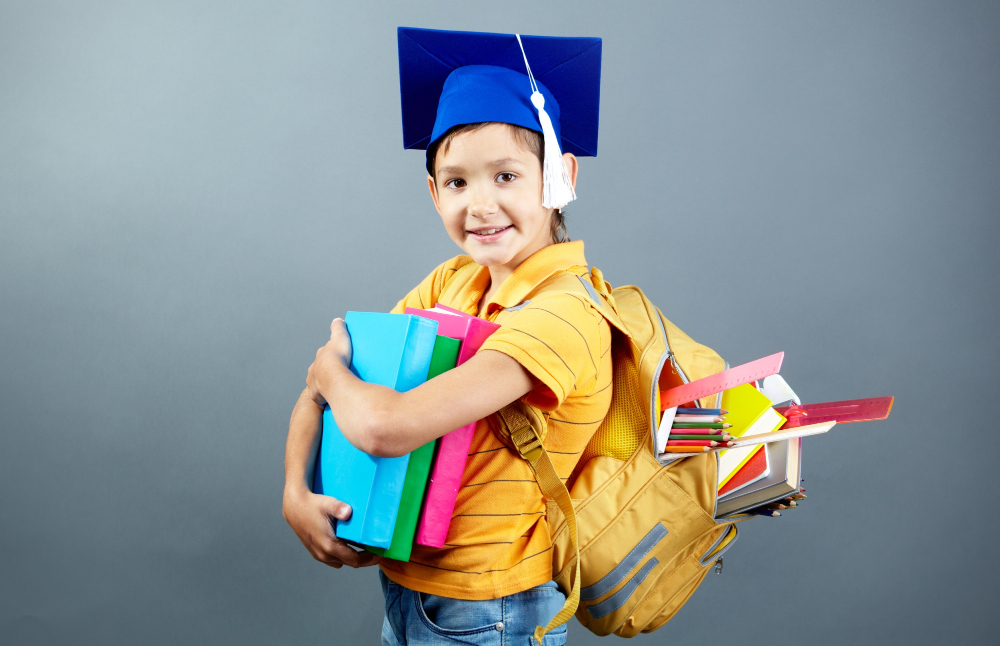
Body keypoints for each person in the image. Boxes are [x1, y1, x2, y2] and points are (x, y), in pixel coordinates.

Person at [283, 27, 607, 645]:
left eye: (506, 176)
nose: (479, 204)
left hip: (494, 607)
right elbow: (320, 398)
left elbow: (380, 425)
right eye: (457, 182)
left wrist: (328, 368)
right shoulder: (453, 282)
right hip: (410, 588)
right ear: (434, 193)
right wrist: (295, 490)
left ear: (559, 177)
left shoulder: (563, 315)